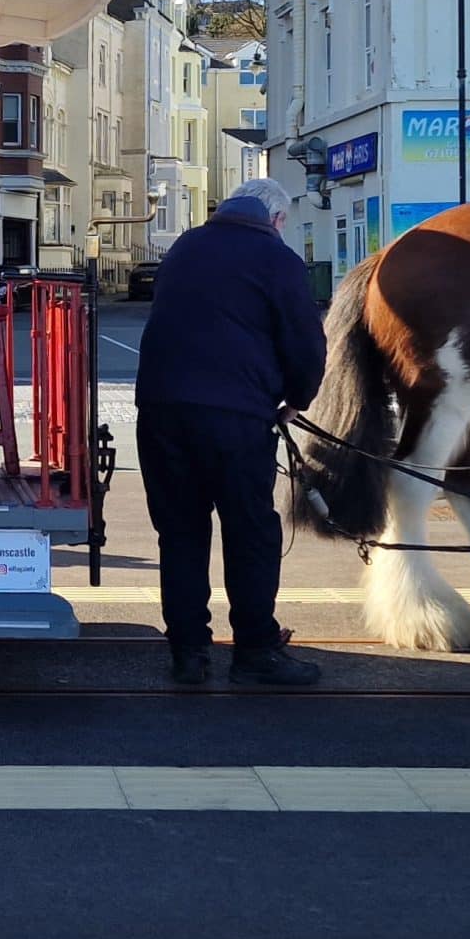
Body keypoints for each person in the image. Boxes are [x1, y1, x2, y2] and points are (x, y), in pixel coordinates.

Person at [133, 176, 327, 689]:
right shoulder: (275, 257)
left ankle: (189, 654)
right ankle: (255, 650)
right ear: (277, 220)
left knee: (180, 533)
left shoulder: (184, 247)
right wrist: (297, 400)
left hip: (160, 410)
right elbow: (306, 341)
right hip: (234, 415)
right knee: (250, 533)